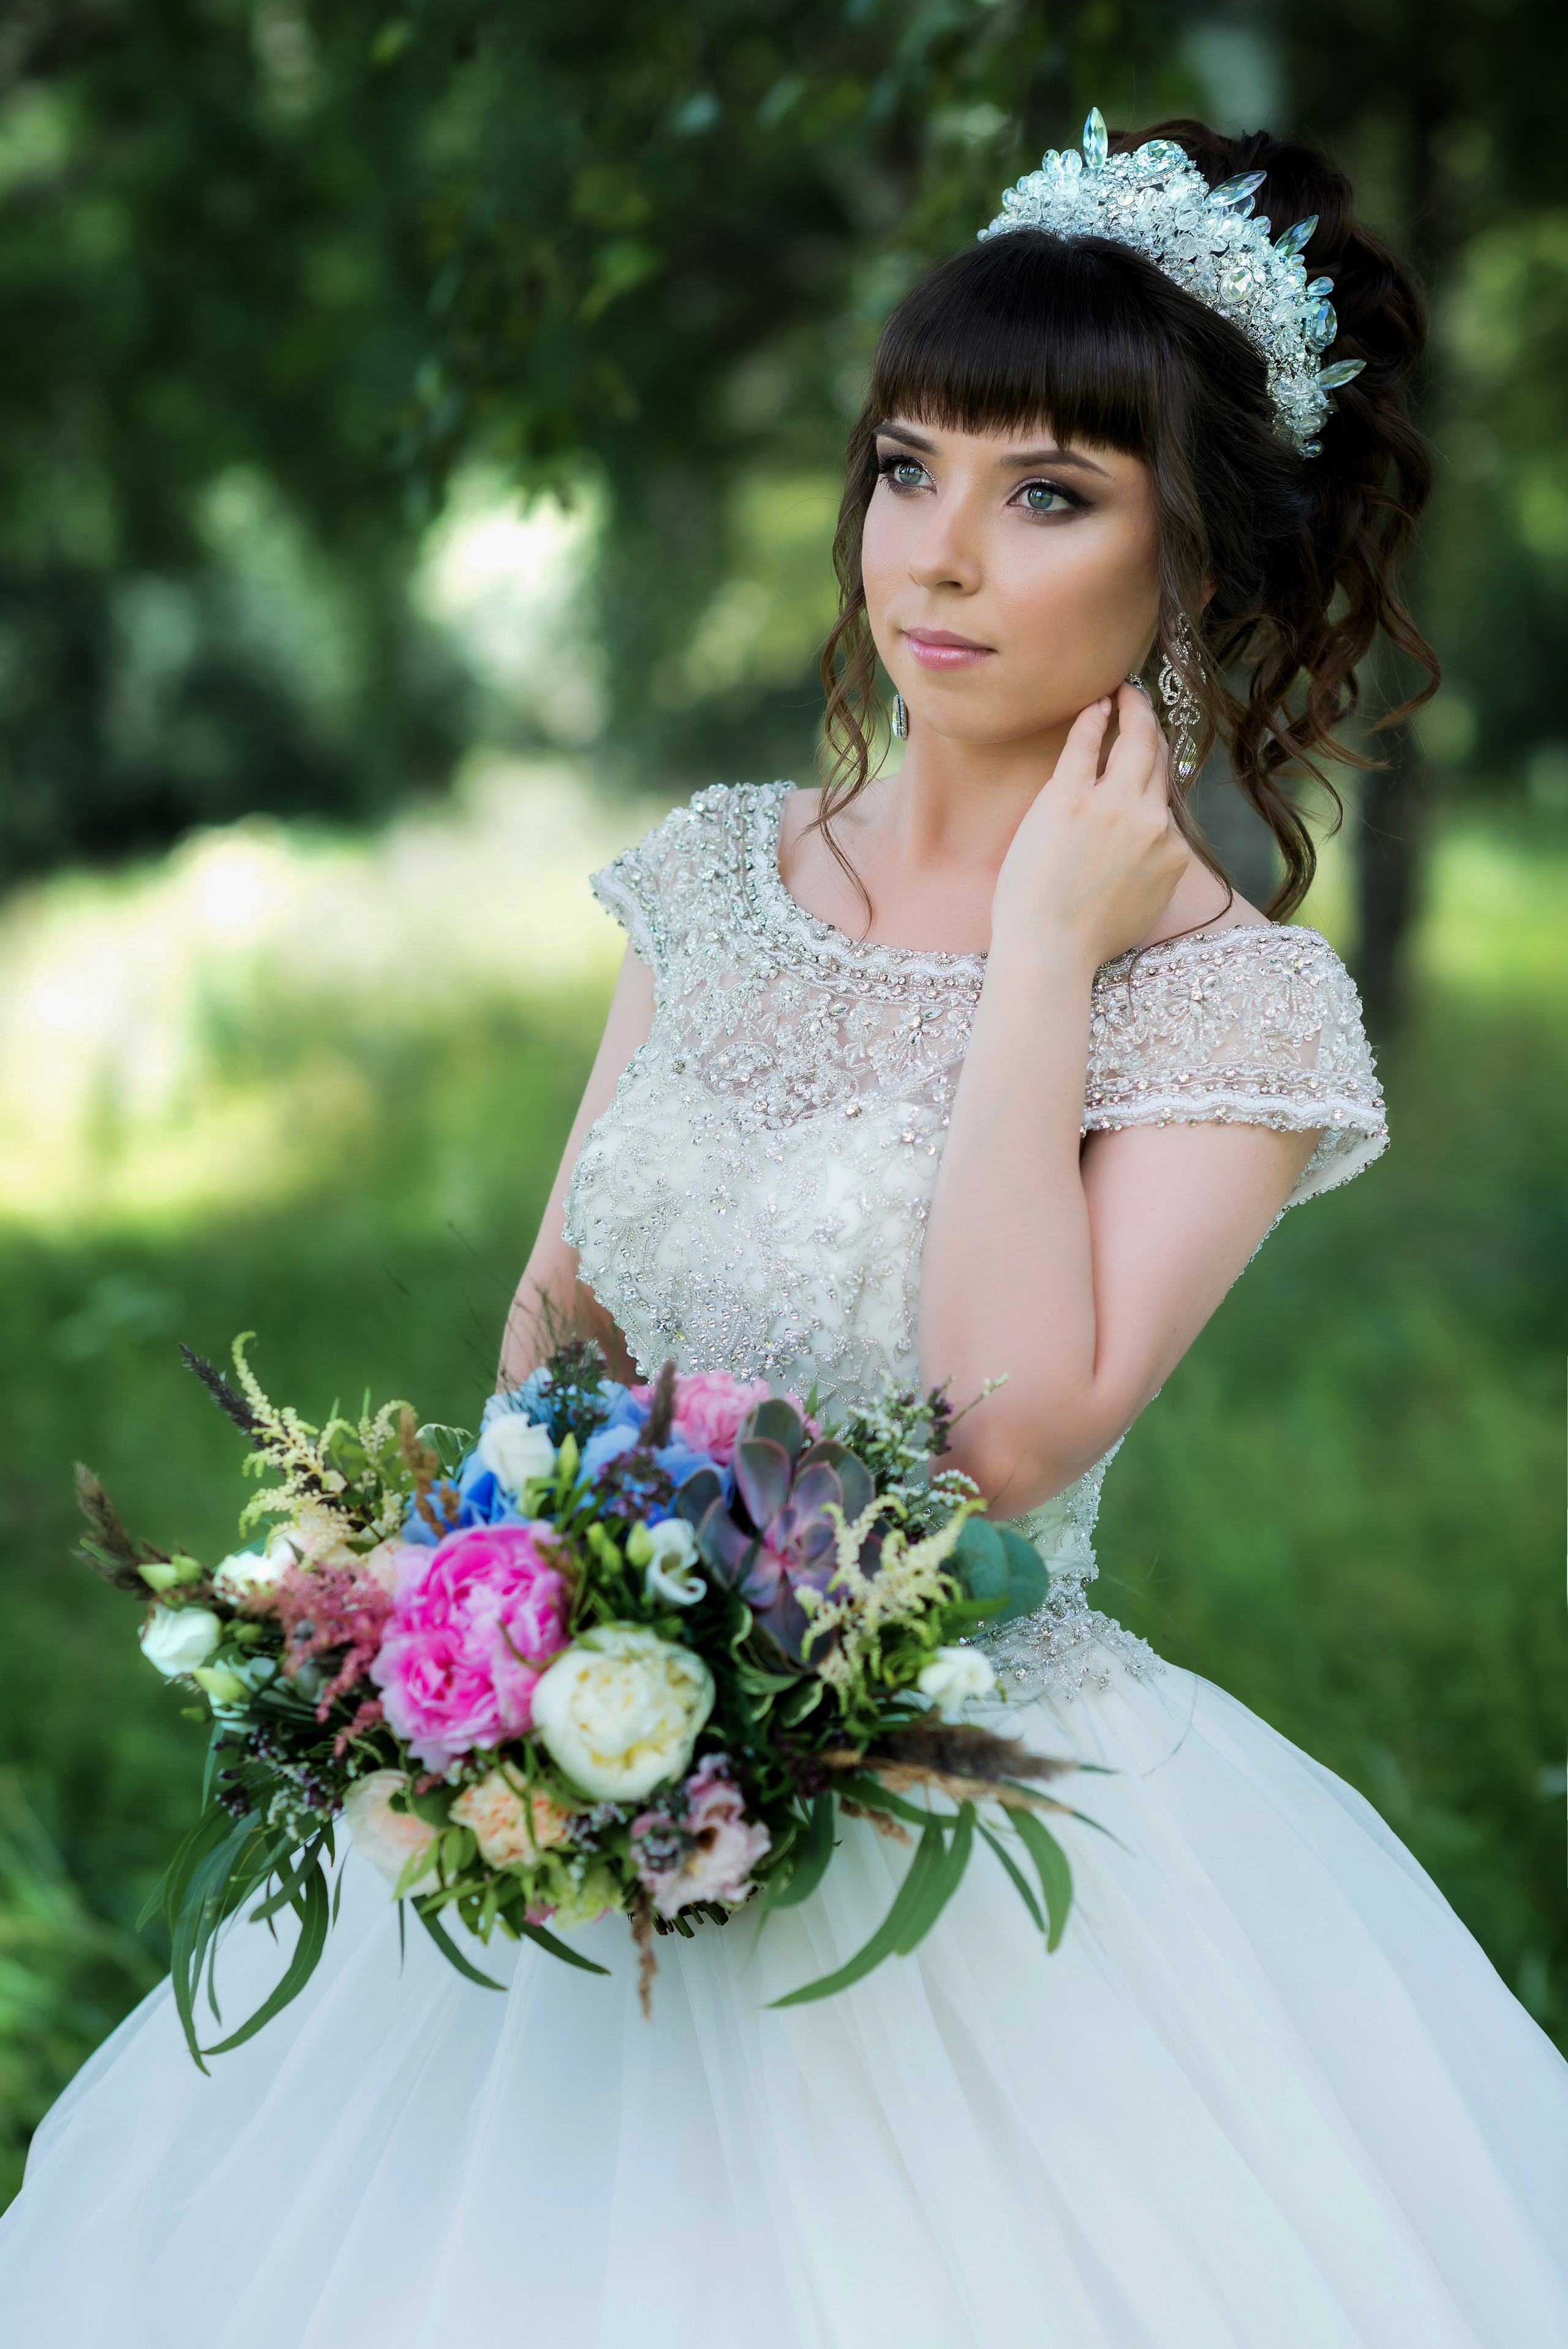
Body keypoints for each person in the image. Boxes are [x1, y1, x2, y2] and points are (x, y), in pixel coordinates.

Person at [4, 111, 1566, 2349]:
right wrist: (503, 1673)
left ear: (1192, 560)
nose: (936, 553)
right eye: (908, 464)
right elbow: (549, 1340)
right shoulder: (720, 872)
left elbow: (1003, 1438)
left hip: (973, 1854)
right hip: (577, 1799)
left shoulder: (1231, 994)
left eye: (1050, 495)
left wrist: (1045, 952)